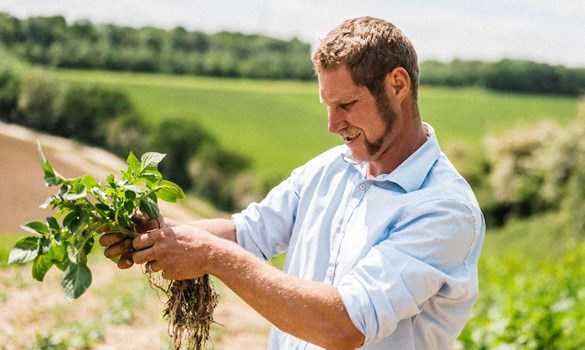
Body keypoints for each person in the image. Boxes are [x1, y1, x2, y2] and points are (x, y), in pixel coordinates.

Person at [100, 16, 485, 349]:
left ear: (397, 85)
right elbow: (248, 232)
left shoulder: (444, 209)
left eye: (346, 105)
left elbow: (345, 326)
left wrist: (211, 257)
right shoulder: (331, 169)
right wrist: (157, 237)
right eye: (328, 107)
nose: (333, 126)